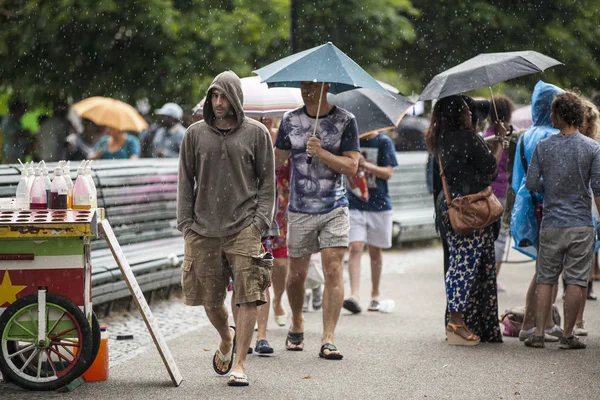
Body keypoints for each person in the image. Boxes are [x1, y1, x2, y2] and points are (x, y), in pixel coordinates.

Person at [177, 71, 275, 386]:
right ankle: (226, 338)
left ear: (235, 98)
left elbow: (267, 184)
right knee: (209, 298)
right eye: (214, 97)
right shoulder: (194, 134)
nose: (218, 103)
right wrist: (187, 225)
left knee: (249, 296)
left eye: (224, 96)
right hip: (202, 229)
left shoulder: (257, 134)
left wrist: (259, 223)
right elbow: (185, 183)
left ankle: (241, 365)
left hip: (246, 226)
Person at [274, 81, 359, 359]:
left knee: (333, 269)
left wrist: (321, 152)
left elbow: (352, 166)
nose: (305, 89)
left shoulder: (346, 120)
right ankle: (297, 320)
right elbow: (277, 160)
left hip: (335, 206)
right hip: (299, 210)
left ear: (326, 86)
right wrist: (260, 139)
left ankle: (328, 338)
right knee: (296, 275)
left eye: (312, 84)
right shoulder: (290, 120)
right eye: (303, 84)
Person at [427, 95, 506, 346]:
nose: (471, 114)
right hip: (469, 208)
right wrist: (501, 142)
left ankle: (459, 319)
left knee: (458, 262)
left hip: (449, 206)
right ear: (459, 114)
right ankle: (457, 322)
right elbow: (490, 168)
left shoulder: (440, 139)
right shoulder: (468, 137)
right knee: (465, 265)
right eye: (466, 110)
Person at [524, 92, 600, 350]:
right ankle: (568, 334)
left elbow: (532, 183)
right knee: (577, 280)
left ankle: (538, 334)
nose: (552, 117)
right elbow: (598, 189)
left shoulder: (543, 147)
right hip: (581, 223)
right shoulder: (592, 148)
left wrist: (552, 186)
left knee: (546, 278)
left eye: (554, 113)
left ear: (559, 115)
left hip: (552, 223)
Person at [511, 81, 565, 342]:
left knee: (543, 266)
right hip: (551, 208)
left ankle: (537, 322)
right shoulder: (553, 136)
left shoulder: (525, 136)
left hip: (529, 206)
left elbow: (517, 179)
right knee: (548, 269)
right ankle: (534, 323)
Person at [343, 130, 398, 313]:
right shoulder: (351, 141)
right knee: (355, 246)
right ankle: (354, 295)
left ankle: (374, 294)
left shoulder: (383, 142)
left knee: (375, 250)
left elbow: (388, 173)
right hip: (354, 203)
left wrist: (365, 165)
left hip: (379, 204)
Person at [572, 99, 600, 337]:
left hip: (577, 207)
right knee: (583, 266)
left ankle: (574, 319)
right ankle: (578, 320)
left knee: (572, 267)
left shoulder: (577, 144)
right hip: (588, 208)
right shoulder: (594, 147)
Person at [483, 96, 515, 292]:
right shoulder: (510, 139)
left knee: (486, 233)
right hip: (502, 190)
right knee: (500, 235)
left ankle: (486, 276)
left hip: (485, 190)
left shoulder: (485, 136)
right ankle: (493, 277)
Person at [2, 99, 31, 164]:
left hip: (19, 154)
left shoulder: (17, 122)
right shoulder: (8, 122)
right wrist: (24, 133)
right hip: (12, 155)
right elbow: (12, 137)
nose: (23, 113)